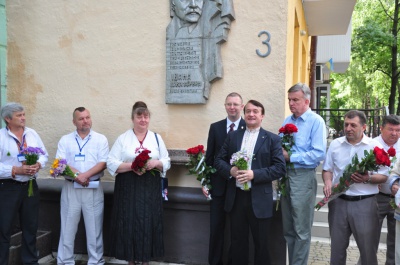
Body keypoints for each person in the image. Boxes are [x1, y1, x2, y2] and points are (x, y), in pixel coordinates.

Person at [215, 99, 286, 265]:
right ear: (244, 114)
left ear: (262, 116)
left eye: (255, 111)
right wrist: (230, 171)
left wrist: (254, 174)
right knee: (238, 242)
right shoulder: (233, 136)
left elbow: (279, 168)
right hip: (236, 198)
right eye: (248, 111)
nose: (251, 114)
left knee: (261, 244)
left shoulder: (272, 139)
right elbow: (219, 160)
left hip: (260, 199)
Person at [107, 101, 171, 265]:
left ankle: (145, 261)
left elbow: (166, 161)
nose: (143, 119)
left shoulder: (156, 138)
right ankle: (131, 260)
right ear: (133, 118)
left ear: (149, 118)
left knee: (148, 222)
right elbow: (111, 162)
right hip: (128, 188)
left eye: (146, 116)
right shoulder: (123, 139)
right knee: (128, 222)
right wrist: (132, 166)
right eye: (139, 116)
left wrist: (156, 163)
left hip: (150, 188)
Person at [322, 110, 389, 265]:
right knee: (337, 250)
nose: (348, 128)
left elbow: (384, 176)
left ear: (363, 127)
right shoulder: (335, 144)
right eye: (346, 124)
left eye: (353, 125)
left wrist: (368, 178)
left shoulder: (375, 146)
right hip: (338, 202)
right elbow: (327, 169)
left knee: (367, 252)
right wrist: (327, 182)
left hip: (365, 204)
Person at [280, 83, 327, 265]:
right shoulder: (287, 121)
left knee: (301, 230)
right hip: (286, 175)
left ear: (306, 101)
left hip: (303, 176)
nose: (291, 103)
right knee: (288, 228)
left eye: (295, 100)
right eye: (289, 100)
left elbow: (318, 153)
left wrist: (290, 156)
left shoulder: (316, 121)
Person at [56, 107, 109, 265]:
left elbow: (103, 162)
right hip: (71, 187)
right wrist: (78, 176)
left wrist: (85, 176)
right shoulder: (65, 140)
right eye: (81, 118)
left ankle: (95, 261)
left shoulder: (101, 139)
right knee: (67, 228)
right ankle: (65, 261)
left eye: (87, 117)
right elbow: (60, 162)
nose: (85, 121)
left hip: (92, 187)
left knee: (94, 230)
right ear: (74, 122)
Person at [0, 102, 48, 265]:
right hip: (8, 188)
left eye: (24, 114)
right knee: (4, 229)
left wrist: (38, 165)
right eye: (19, 116)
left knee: (30, 227)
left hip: (30, 186)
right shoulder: (1, 137)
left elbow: (44, 154)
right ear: (7, 119)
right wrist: (15, 170)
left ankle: (30, 262)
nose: (23, 118)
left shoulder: (32, 133)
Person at [205, 92, 245, 265]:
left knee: (237, 232)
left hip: (240, 188)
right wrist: (205, 182)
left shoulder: (248, 127)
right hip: (219, 187)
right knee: (216, 230)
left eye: (236, 104)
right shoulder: (215, 127)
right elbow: (210, 158)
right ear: (225, 106)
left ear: (242, 107)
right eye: (229, 104)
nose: (232, 107)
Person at [373, 114, 400, 265]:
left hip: (397, 201)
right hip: (377, 197)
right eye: (391, 129)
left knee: (395, 241)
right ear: (382, 128)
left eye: (398, 130)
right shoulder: (372, 144)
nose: (394, 133)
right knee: (370, 238)